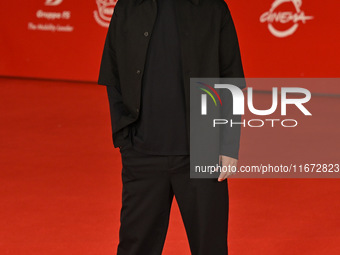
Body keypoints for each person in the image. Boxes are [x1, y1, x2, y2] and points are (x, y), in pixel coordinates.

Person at [98, 0, 245, 254]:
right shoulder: (129, 7)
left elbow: (231, 78)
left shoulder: (213, 8)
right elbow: (112, 73)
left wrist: (229, 145)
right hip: (142, 155)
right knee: (135, 247)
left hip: (203, 155)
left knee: (210, 247)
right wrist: (126, 137)